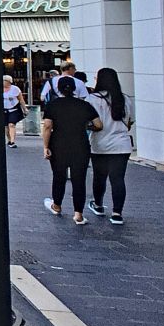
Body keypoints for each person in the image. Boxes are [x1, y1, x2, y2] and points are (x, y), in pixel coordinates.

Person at [42, 76, 102, 225]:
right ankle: (78, 215)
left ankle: (57, 205)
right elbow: (98, 124)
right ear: (75, 88)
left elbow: (48, 127)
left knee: (59, 176)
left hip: (58, 144)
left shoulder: (53, 105)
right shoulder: (84, 105)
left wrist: (45, 147)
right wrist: (86, 127)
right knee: (79, 179)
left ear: (58, 89)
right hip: (80, 144)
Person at [87, 67, 134, 224]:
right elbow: (129, 123)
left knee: (99, 177)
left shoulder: (93, 99)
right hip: (122, 144)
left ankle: (98, 205)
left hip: (100, 143)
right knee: (118, 179)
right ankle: (117, 213)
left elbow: (92, 123)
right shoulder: (125, 99)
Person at [2, 74, 27, 148]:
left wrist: (24, 109)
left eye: (4, 81)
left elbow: (21, 99)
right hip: (4, 110)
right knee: (6, 126)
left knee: (11, 124)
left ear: (8, 82)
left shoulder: (15, 89)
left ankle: (12, 141)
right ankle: (9, 140)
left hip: (14, 109)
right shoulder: (0, 89)